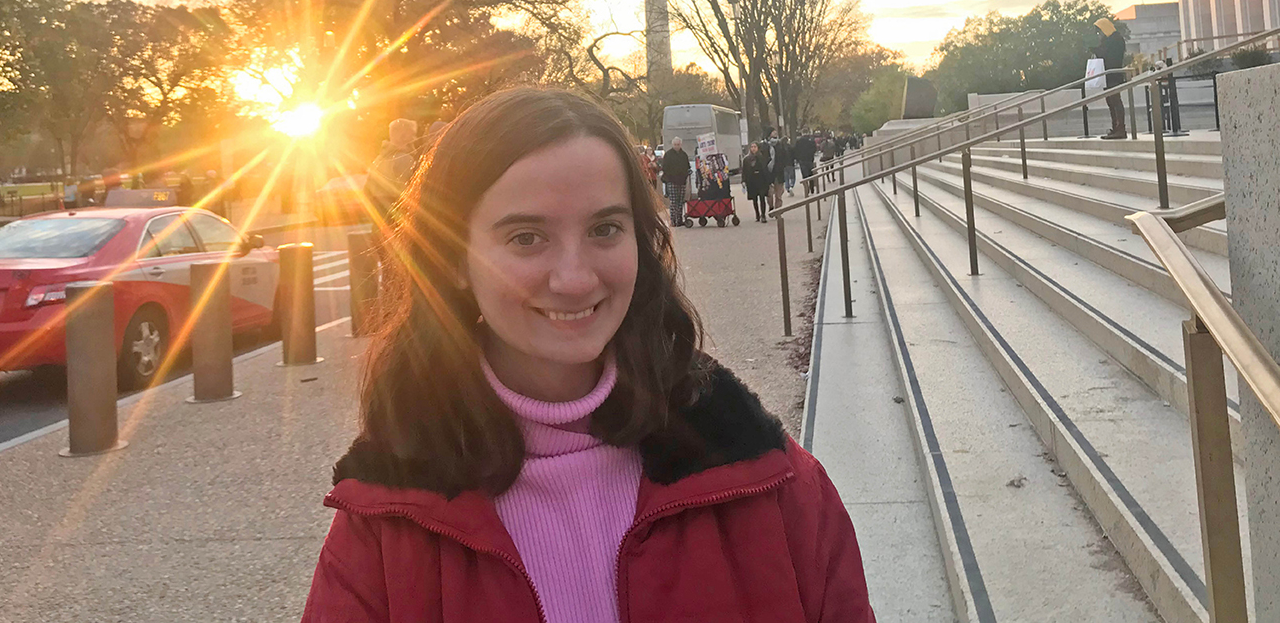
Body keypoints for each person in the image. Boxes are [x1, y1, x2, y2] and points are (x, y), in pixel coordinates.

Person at [301, 88, 873, 623]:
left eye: (604, 229)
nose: (575, 280)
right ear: (451, 258)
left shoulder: (774, 481)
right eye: (526, 238)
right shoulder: (382, 526)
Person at [367, 118, 419, 227]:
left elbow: (367, 190)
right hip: (398, 217)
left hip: (378, 218)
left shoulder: (378, 160)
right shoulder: (405, 159)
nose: (415, 138)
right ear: (403, 136)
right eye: (412, 134)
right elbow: (415, 190)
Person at [1093, 17, 1128, 139]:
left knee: (1115, 101)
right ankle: (1115, 127)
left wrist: (1097, 51)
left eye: (1100, 31)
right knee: (1110, 102)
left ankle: (1120, 128)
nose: (1099, 35)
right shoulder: (1107, 41)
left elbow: (1111, 57)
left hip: (1114, 75)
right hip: (1107, 75)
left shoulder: (1116, 40)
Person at [660, 137, 691, 227]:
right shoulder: (668, 154)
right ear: (672, 145)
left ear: (680, 145)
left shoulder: (684, 155)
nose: (677, 146)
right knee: (673, 202)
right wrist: (670, 176)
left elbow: (687, 166)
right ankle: (673, 220)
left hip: (682, 181)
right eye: (675, 145)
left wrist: (686, 174)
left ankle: (679, 219)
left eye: (678, 144)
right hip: (672, 181)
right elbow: (665, 167)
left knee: (680, 201)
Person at [742, 141, 768, 223]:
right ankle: (757, 214)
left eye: (755, 147)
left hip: (761, 180)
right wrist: (743, 181)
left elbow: (765, 169)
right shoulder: (746, 159)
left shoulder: (762, 157)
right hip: (751, 181)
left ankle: (763, 215)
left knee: (762, 197)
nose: (753, 148)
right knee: (754, 199)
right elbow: (744, 171)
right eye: (752, 147)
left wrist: (768, 180)